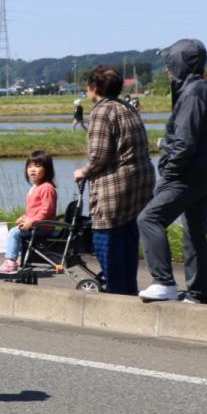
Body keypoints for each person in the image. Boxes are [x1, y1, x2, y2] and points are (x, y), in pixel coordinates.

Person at [138, 39, 207, 303]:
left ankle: (164, 282)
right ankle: (197, 294)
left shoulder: (194, 93)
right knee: (195, 231)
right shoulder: (203, 90)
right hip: (206, 172)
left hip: (188, 175)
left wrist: (170, 173)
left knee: (149, 219)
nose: (166, 69)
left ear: (182, 63)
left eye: (169, 63)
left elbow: (185, 142)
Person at [73, 67, 155, 295]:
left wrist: (83, 172)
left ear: (95, 88)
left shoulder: (101, 111)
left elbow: (100, 155)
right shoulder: (127, 107)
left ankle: (117, 295)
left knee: (106, 240)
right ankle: (128, 291)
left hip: (114, 187)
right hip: (139, 184)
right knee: (128, 239)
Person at [0, 151, 58, 275]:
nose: (32, 170)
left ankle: (10, 262)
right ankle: (18, 259)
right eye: (30, 166)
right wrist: (24, 217)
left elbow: (46, 210)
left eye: (37, 166)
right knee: (14, 230)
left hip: (43, 226)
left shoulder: (47, 188)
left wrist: (31, 221)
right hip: (37, 224)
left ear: (47, 169)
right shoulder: (36, 187)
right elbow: (33, 210)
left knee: (14, 232)